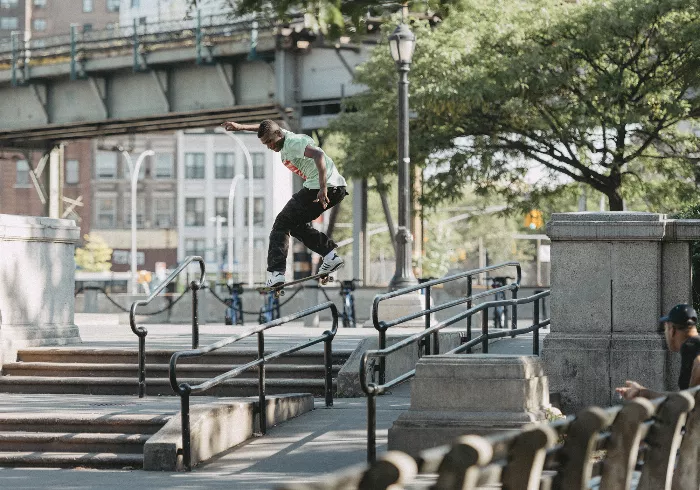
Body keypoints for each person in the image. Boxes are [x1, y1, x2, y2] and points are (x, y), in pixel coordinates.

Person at [222, 119, 347, 287]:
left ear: (279, 135)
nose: (269, 147)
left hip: (321, 188)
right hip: (334, 188)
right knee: (294, 225)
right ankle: (330, 255)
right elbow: (266, 127)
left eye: (270, 142)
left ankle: (276, 273)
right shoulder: (283, 134)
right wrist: (241, 127)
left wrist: (323, 187)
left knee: (281, 223)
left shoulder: (292, 143)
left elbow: (319, 155)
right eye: (265, 143)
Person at [616, 303, 700, 400]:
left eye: (665, 328)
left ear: (672, 330)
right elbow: (681, 400)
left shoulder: (690, 346)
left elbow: (687, 401)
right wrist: (642, 392)